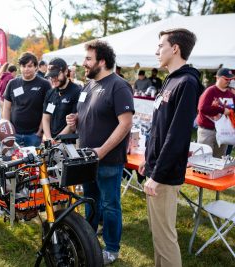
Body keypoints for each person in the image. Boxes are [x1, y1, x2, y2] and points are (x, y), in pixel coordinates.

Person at [138, 28, 203, 267]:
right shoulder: (170, 80)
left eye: (160, 46)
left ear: (175, 48)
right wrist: (148, 157)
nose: (156, 51)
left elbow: (177, 135)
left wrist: (157, 174)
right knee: (158, 236)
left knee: (166, 238)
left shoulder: (186, 82)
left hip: (164, 174)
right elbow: (160, 126)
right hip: (156, 167)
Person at [66, 40, 134, 265]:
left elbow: (125, 124)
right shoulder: (88, 86)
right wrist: (74, 120)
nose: (84, 63)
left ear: (102, 61)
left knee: (109, 204)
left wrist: (102, 151)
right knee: (89, 200)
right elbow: (86, 115)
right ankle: (88, 238)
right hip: (86, 159)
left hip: (108, 160)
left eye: (88, 59)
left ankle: (112, 249)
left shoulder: (119, 86)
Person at [3, 52, 51, 147]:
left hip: (34, 135)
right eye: (23, 66)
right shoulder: (12, 83)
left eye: (29, 66)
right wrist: (7, 130)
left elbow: (47, 110)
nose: (26, 69)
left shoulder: (45, 84)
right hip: (14, 134)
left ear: (36, 67)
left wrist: (40, 131)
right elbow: (6, 108)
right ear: (19, 67)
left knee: (33, 161)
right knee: (13, 161)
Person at [196, 68, 235, 158]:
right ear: (217, 78)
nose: (228, 81)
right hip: (207, 131)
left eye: (230, 79)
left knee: (219, 160)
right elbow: (202, 108)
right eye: (226, 79)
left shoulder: (230, 95)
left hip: (224, 132)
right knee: (204, 159)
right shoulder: (210, 91)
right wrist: (222, 110)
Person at [42, 58, 81, 140]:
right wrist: (49, 138)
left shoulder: (77, 91)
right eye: (51, 76)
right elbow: (46, 117)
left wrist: (57, 140)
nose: (53, 79)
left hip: (68, 143)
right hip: (52, 141)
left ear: (66, 71)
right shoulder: (51, 93)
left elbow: (72, 122)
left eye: (56, 75)